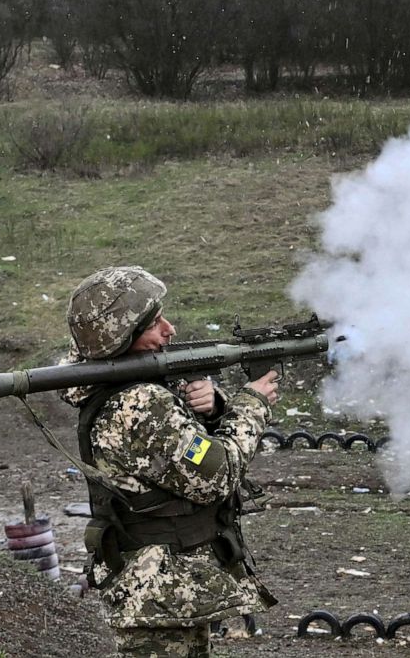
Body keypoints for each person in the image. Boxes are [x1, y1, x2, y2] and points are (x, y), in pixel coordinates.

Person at [57, 266, 279, 658]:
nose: (169, 329)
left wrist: (214, 405)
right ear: (120, 338)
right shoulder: (139, 404)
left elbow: (174, 446)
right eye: (153, 324)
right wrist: (252, 404)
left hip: (163, 587)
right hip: (158, 589)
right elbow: (217, 474)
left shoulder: (124, 388)